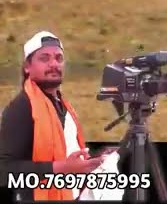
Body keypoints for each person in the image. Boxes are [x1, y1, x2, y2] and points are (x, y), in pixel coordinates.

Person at [0, 31, 112, 201]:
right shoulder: (21, 107)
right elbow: (5, 171)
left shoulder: (63, 104)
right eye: (44, 58)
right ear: (27, 67)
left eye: (59, 58)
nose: (54, 64)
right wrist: (62, 168)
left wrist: (96, 159)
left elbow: (68, 152)